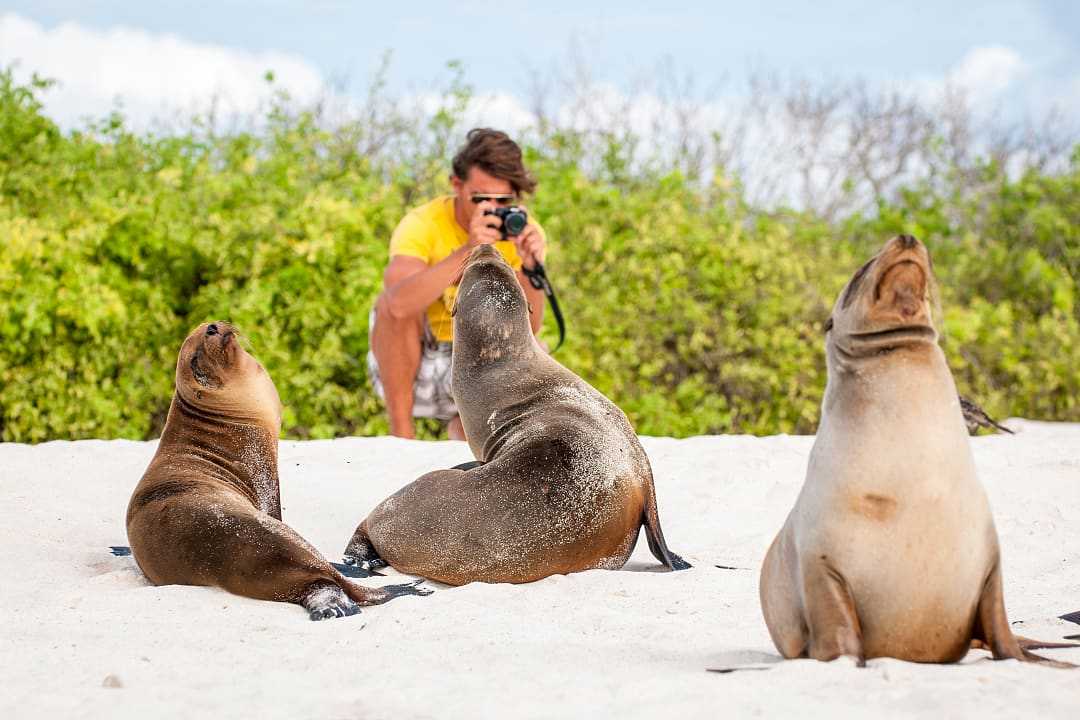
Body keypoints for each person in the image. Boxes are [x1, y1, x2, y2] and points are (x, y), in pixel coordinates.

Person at [367, 128, 548, 440]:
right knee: (390, 302)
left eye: (503, 200)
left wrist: (533, 268)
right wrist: (469, 250)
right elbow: (396, 305)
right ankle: (401, 436)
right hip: (420, 359)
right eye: (480, 198)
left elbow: (530, 328)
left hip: (482, 361)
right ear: (457, 184)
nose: (491, 208)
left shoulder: (522, 232)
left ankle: (466, 432)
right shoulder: (423, 223)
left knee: (538, 354)